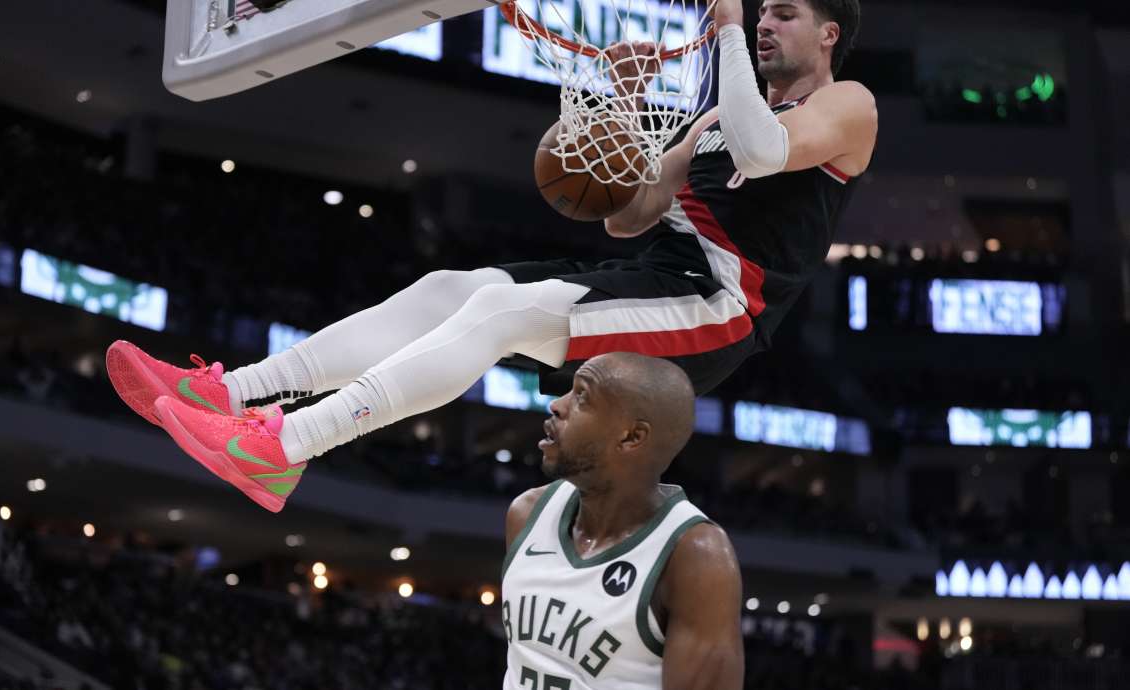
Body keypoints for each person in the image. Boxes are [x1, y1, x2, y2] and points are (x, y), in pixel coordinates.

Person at [105, 0, 876, 512]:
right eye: (763, 11)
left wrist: (733, 30)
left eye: (786, 12)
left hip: (720, 308)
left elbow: (764, 149)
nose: (767, 20)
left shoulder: (849, 106)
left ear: (830, 32)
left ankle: (290, 445)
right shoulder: (714, 114)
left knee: (499, 310)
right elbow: (631, 218)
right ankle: (233, 396)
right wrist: (630, 107)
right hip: (655, 274)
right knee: (453, 286)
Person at [501, 352, 742, 689]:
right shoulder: (527, 513)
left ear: (632, 436)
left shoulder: (695, 555)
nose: (557, 405)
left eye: (582, 397)